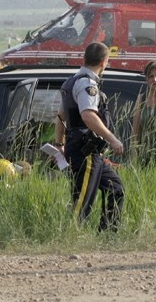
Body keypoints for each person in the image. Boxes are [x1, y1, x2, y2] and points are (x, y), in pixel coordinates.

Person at [55, 42, 124, 232]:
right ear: (104, 62)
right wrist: (113, 139)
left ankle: (108, 234)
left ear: (84, 58)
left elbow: (60, 116)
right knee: (83, 200)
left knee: (115, 188)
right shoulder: (87, 84)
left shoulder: (70, 82)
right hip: (84, 151)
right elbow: (88, 115)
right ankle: (71, 237)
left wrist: (59, 143)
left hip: (91, 152)